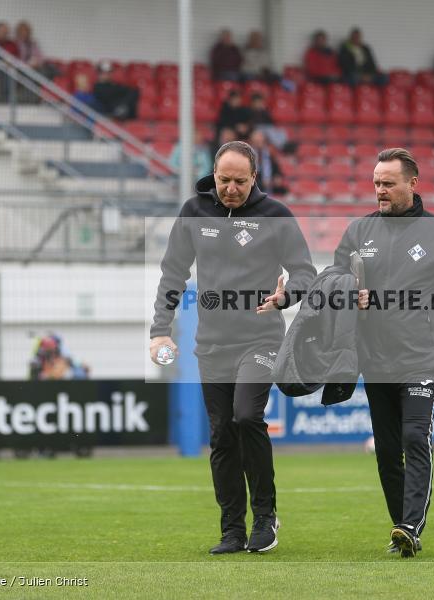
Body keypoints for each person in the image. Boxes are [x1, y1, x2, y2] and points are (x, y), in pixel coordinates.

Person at [150, 141, 316, 555]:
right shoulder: (194, 211)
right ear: (215, 175)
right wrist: (160, 330)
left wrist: (285, 296)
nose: (230, 188)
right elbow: (173, 273)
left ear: (254, 178)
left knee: (246, 416)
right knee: (222, 434)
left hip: (261, 338)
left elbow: (305, 274)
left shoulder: (276, 216)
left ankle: (265, 517)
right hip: (211, 344)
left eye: (240, 181)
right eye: (224, 180)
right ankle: (231, 529)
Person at [332, 148, 434, 557]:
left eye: (388, 183)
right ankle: (400, 528)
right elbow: (333, 281)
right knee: (387, 448)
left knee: (413, 435)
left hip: (421, 355)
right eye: (376, 183)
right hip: (373, 357)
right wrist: (351, 293)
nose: (380, 191)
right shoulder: (357, 232)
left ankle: (411, 524)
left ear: (412, 184)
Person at [248, 130, 287, 195]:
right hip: (255, 185)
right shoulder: (249, 154)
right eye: (257, 140)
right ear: (252, 141)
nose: (259, 142)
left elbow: (276, 168)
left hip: (270, 185)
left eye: (261, 140)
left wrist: (277, 176)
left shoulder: (269, 153)